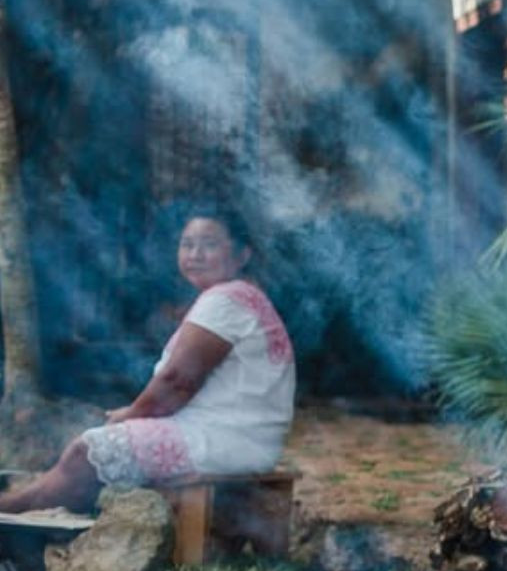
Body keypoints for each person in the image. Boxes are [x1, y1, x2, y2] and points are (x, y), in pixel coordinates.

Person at [0, 208, 296, 513]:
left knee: (85, 452)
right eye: (187, 243)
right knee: (89, 442)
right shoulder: (239, 297)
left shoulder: (225, 301)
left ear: (242, 254)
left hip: (225, 442)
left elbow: (177, 382)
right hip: (241, 438)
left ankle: (12, 513)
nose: (195, 254)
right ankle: (30, 505)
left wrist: (131, 415)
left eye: (209, 244)